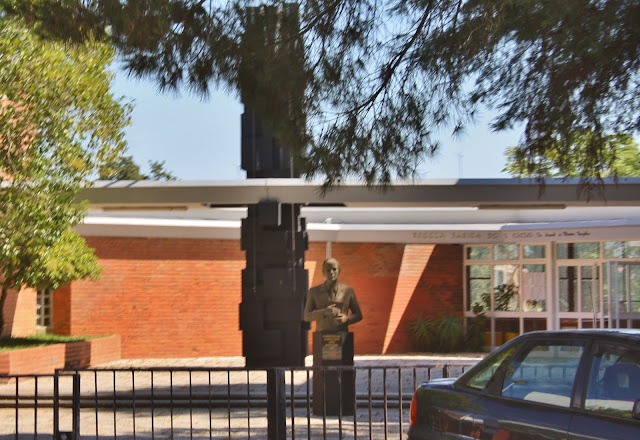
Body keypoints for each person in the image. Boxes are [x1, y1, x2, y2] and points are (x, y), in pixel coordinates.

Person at [304, 258, 362, 332]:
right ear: (323, 272)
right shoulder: (314, 292)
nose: (331, 272)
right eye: (328, 270)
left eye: (334, 269)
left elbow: (358, 315)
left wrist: (346, 319)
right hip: (322, 335)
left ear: (339, 271)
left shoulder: (348, 291)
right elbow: (307, 316)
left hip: (342, 334)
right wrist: (324, 312)